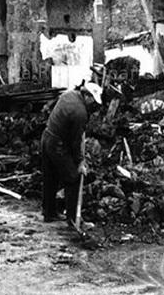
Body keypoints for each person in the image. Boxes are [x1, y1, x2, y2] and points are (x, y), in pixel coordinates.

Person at [40, 82, 102, 226]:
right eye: (92, 100)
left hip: (47, 136)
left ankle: (49, 213)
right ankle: (74, 220)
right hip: (58, 144)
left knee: (51, 177)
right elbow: (76, 141)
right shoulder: (80, 113)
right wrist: (80, 162)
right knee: (73, 178)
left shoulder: (69, 94)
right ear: (87, 96)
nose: (93, 104)